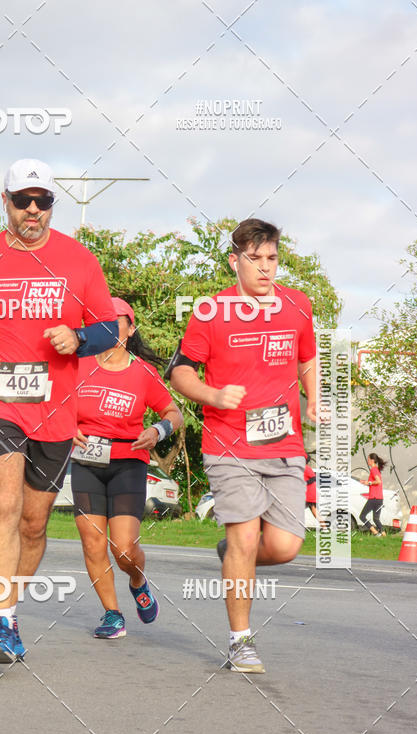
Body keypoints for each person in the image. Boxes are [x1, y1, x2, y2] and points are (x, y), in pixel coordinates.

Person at [0, 158, 118, 663]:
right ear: (4, 202)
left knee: (33, 523)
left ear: (53, 205)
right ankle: (3, 623)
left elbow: (111, 329)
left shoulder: (79, 261)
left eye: (44, 201)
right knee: (3, 503)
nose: (33, 210)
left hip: (55, 409)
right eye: (23, 200)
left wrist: (79, 337)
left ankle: (6, 603)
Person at [169, 218, 317, 674]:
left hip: (284, 444)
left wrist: (313, 400)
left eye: (272, 258)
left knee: (287, 545)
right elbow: (180, 372)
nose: (266, 268)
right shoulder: (210, 312)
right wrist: (212, 395)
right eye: (255, 259)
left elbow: (307, 356)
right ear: (235, 261)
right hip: (229, 443)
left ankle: (234, 553)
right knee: (246, 535)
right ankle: (241, 642)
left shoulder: (297, 305)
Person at [71, 298, 183, 638]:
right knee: (92, 542)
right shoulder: (79, 365)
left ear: (130, 329)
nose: (107, 327)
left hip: (127, 464)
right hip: (86, 462)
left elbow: (174, 414)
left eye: (115, 321)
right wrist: (65, 426)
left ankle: (137, 580)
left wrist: (157, 431)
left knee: (122, 548)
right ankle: (112, 614)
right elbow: (54, 402)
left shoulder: (143, 373)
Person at [359, 453, 386, 536]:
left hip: (374, 498)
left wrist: (369, 482)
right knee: (376, 519)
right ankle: (384, 535)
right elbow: (375, 482)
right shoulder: (377, 469)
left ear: (372, 460)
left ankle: (375, 532)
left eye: (368, 459)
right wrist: (366, 482)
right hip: (379, 498)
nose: (367, 461)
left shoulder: (373, 470)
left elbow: (378, 481)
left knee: (362, 516)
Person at [304, 453, 327, 528]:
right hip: (307, 494)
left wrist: (305, 483)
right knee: (314, 510)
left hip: (310, 494)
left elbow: (314, 478)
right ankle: (325, 528)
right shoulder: (302, 468)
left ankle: (325, 527)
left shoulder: (306, 468)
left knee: (314, 510)